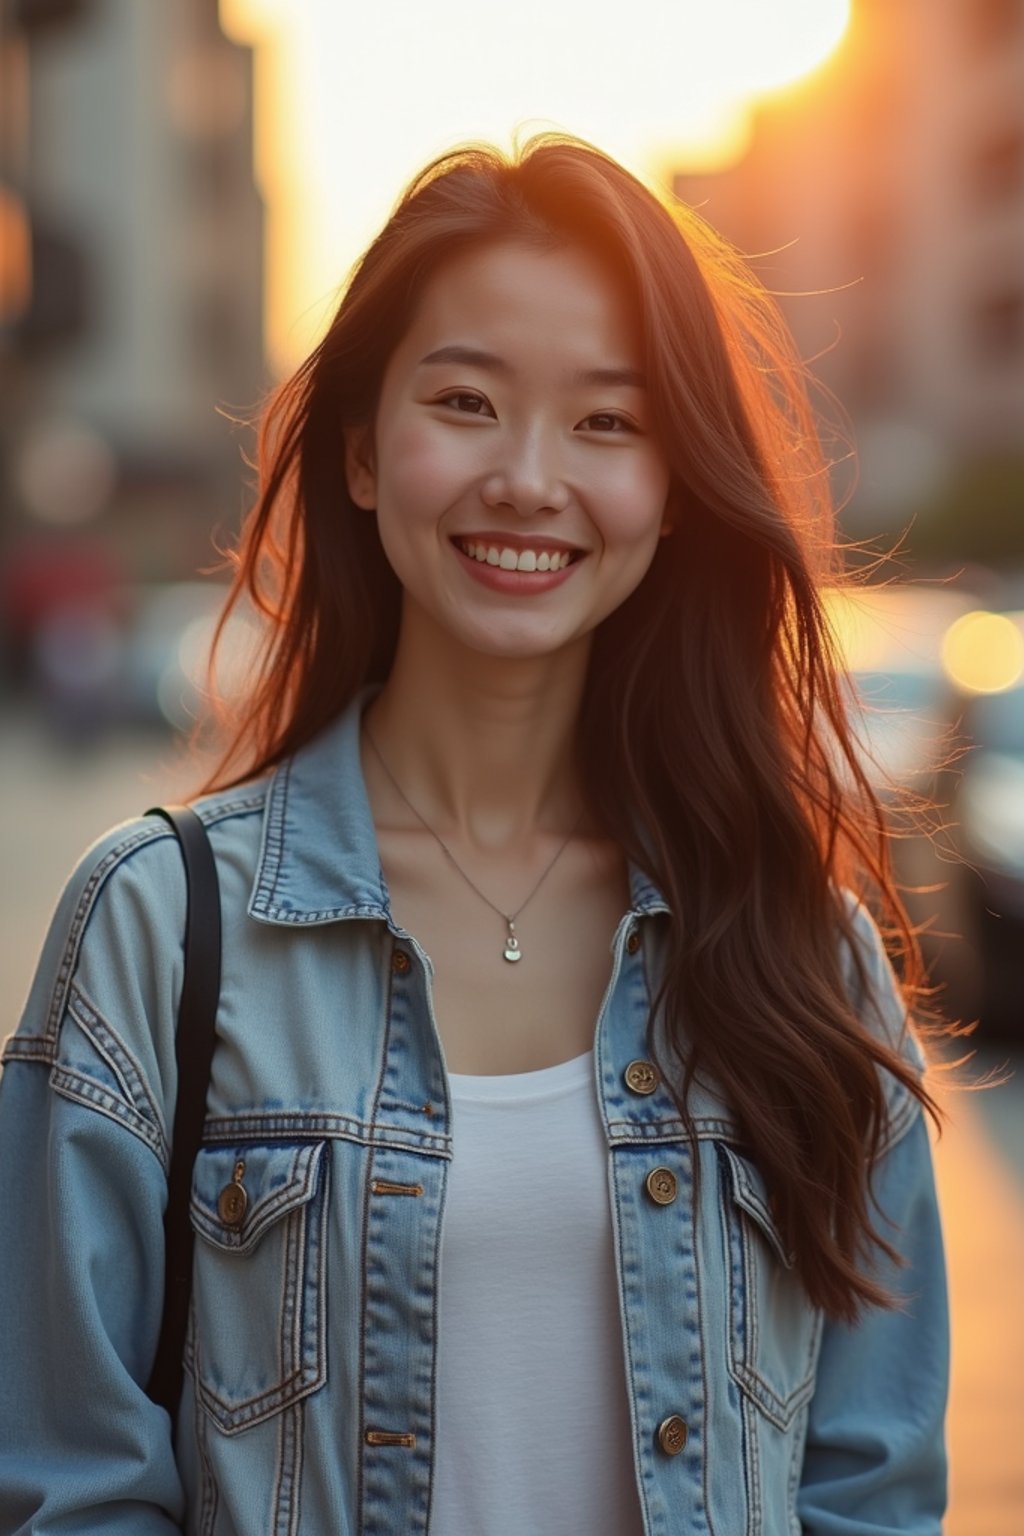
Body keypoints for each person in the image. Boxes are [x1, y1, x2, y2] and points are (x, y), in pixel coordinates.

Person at [0, 134, 949, 1535]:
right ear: (367, 454)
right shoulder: (154, 928)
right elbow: (66, 1492)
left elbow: (869, 1494)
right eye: (466, 401)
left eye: (606, 423)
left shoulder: (801, 950)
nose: (527, 477)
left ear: (674, 487)